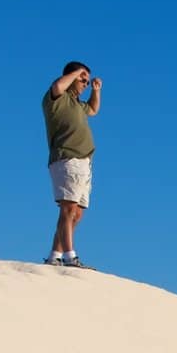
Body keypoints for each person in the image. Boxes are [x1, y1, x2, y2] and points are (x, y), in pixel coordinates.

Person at [42, 61, 102, 267]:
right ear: (72, 76)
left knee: (76, 213)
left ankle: (55, 256)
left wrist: (96, 90)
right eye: (82, 78)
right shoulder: (57, 98)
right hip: (67, 158)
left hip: (84, 162)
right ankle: (70, 256)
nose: (85, 82)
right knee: (69, 208)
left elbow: (93, 109)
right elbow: (58, 86)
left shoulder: (78, 103)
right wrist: (77, 71)